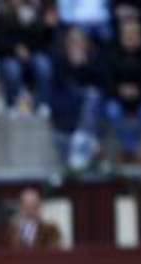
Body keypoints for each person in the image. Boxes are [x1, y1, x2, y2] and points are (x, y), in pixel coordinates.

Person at [105, 19, 141, 164]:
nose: (130, 37)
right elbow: (107, 81)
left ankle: (127, 150)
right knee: (112, 112)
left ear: (140, 36)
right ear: (121, 36)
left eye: (134, 34)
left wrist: (138, 90)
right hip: (118, 98)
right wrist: (120, 90)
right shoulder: (112, 54)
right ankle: (132, 149)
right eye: (127, 34)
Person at [50, 27, 106, 171]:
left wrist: (83, 66)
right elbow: (59, 89)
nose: (76, 44)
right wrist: (73, 66)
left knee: (92, 96)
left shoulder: (94, 59)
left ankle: (82, 141)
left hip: (89, 114)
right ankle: (83, 146)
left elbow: (102, 84)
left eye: (80, 40)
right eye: (73, 41)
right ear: (66, 43)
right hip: (67, 115)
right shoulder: (59, 61)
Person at [0, 0, 56, 116]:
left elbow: (41, 41)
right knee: (11, 69)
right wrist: (15, 48)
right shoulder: (0, 17)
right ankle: (12, 104)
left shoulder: (32, 14)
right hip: (9, 56)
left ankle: (42, 104)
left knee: (43, 65)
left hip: (32, 55)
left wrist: (45, 27)